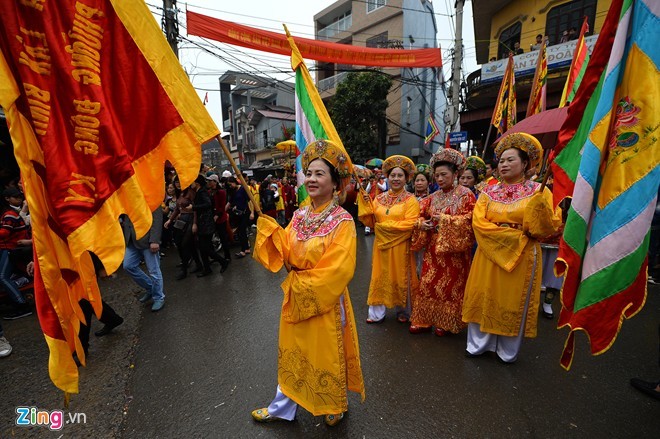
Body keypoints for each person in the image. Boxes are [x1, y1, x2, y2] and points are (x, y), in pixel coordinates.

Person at [250, 139, 364, 426]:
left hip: (324, 298)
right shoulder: (300, 215)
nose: (311, 179)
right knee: (292, 354)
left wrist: (301, 286)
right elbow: (287, 250)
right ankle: (282, 407)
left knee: (325, 354)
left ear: (335, 183)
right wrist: (271, 231)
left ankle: (333, 402)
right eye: (309, 173)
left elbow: (339, 268)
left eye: (319, 174)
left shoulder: (343, 221)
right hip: (296, 292)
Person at [462, 133, 562, 363]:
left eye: (511, 160)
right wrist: (513, 236)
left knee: (512, 299)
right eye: (502, 160)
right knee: (484, 295)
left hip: (523, 256)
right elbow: (478, 222)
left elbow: (550, 225)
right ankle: (478, 344)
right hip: (489, 252)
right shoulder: (488, 191)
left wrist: (539, 213)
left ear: (525, 163)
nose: (504, 165)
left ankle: (507, 350)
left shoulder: (540, 191)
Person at [410, 149, 476, 336]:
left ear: (456, 174)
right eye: (437, 175)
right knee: (428, 284)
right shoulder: (433, 197)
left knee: (450, 287)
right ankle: (423, 319)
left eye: (444, 175)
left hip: (454, 252)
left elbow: (471, 220)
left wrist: (446, 220)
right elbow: (419, 216)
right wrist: (422, 224)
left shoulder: (466, 195)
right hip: (433, 249)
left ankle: (445, 322)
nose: (439, 179)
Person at [359, 155, 420, 324]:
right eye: (393, 175)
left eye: (400, 175)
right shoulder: (378, 199)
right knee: (380, 276)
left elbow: (410, 224)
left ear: (406, 178)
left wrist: (383, 228)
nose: (396, 179)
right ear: (387, 177)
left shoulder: (411, 200)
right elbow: (372, 222)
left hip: (401, 246)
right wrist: (366, 206)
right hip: (381, 247)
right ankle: (377, 313)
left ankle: (404, 311)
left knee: (402, 276)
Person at [121, 208, 165, 311]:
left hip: (147, 240)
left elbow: (157, 219)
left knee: (154, 271)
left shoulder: (151, 196)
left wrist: (154, 240)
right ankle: (150, 288)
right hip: (131, 240)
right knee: (128, 266)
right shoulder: (127, 195)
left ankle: (159, 297)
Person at [0, 187, 33, 320]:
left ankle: (21, 305)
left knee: (2, 277)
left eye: (19, 197)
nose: (19, 199)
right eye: (16, 197)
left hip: (10, 249)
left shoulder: (9, 214)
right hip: (8, 249)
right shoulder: (9, 213)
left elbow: (4, 233)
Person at [191, 174, 229, 277]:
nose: (191, 184)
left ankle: (222, 261)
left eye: (192, 182)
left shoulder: (202, 192)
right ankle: (207, 269)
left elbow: (208, 204)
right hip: (203, 223)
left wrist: (193, 207)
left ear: (197, 183)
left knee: (205, 247)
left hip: (206, 223)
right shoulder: (200, 192)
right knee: (202, 247)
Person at [165, 180, 203, 280]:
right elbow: (177, 209)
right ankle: (198, 264)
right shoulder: (180, 193)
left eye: (179, 182)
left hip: (190, 219)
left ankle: (184, 269)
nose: (177, 184)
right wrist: (170, 220)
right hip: (181, 220)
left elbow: (194, 209)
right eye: (176, 182)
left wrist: (195, 223)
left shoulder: (190, 192)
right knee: (187, 244)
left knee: (184, 244)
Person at [207, 174, 232, 262]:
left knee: (223, 237)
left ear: (215, 182)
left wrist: (217, 215)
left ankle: (227, 256)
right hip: (212, 217)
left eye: (210, 181)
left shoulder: (221, 192)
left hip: (221, 218)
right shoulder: (209, 192)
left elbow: (222, 205)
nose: (209, 183)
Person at [228, 176, 254, 258]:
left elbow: (250, 201)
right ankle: (246, 248)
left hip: (245, 213)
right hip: (238, 214)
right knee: (241, 232)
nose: (230, 186)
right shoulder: (233, 191)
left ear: (234, 182)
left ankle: (243, 250)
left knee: (242, 231)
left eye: (230, 184)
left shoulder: (243, 189)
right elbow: (231, 202)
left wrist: (252, 213)